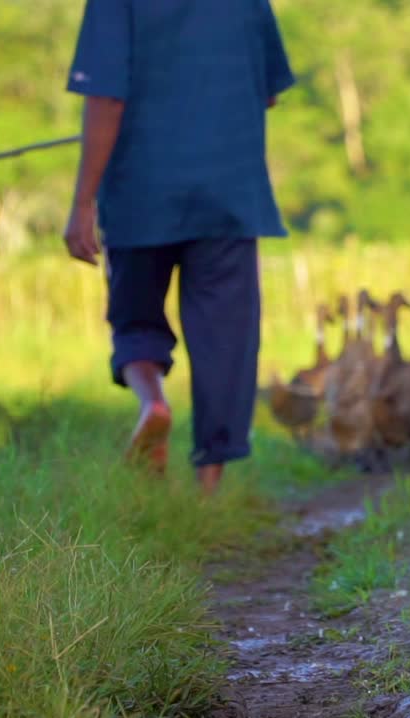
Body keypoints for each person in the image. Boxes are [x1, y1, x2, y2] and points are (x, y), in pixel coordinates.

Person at [62, 0, 296, 494]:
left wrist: (83, 203)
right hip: (228, 192)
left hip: (140, 191)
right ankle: (207, 490)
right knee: (223, 343)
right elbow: (267, 94)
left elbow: (105, 99)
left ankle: (154, 404)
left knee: (136, 322)